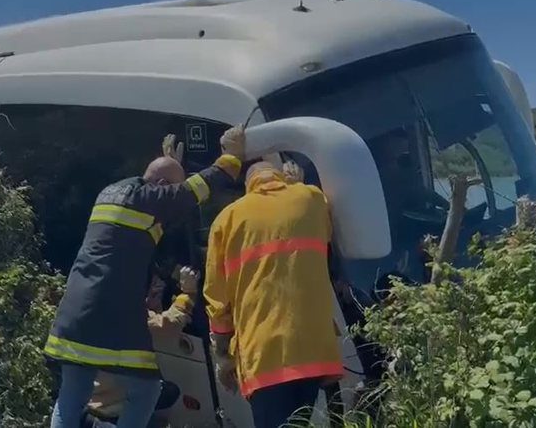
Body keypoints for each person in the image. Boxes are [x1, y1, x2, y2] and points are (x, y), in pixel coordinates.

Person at [44, 128, 245, 428]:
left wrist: (169, 166)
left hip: (75, 312)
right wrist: (232, 157)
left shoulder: (114, 192)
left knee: (73, 394)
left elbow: (149, 226)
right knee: (148, 388)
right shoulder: (149, 199)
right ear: (163, 185)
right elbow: (197, 190)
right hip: (110, 313)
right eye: (170, 189)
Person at [203, 160, 343, 428]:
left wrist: (223, 355)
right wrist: (296, 185)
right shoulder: (310, 198)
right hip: (312, 348)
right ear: (280, 177)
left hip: (263, 353)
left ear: (248, 186)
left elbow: (216, 296)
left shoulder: (227, 219)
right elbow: (325, 231)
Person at [82, 267, 199, 428]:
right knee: (159, 391)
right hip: (113, 412)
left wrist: (153, 303)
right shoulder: (133, 315)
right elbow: (169, 325)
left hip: (91, 402)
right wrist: (188, 293)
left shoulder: (97, 304)